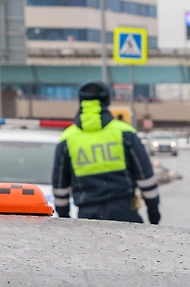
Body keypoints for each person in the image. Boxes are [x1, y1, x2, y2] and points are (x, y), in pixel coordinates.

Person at [51, 81, 161, 224]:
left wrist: (64, 218)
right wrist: (153, 213)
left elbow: (60, 186)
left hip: (87, 218)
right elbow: (145, 177)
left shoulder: (67, 139)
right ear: (107, 100)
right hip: (124, 214)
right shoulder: (125, 134)